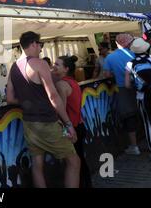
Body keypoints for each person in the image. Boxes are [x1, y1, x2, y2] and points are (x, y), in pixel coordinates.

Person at [6, 31, 80, 188]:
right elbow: (53, 96)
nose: (40, 48)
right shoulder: (40, 64)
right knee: (74, 161)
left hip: (29, 124)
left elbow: (10, 99)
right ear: (33, 43)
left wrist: (29, 100)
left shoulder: (14, 67)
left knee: (37, 165)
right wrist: (68, 124)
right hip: (47, 122)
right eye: (40, 44)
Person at [53, 55, 92, 187]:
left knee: (73, 164)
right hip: (79, 125)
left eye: (57, 64)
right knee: (80, 160)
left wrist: (63, 131)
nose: (54, 67)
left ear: (66, 69)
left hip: (70, 128)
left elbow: (61, 110)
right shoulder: (73, 82)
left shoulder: (61, 84)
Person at [125, 38, 151, 162]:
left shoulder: (129, 64)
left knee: (148, 124)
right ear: (146, 48)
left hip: (142, 97)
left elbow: (127, 85)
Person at [103, 33, 140, 155]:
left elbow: (107, 75)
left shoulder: (110, 57)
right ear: (129, 42)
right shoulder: (136, 54)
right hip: (140, 88)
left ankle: (134, 146)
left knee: (129, 117)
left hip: (123, 89)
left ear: (117, 43)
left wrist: (117, 74)